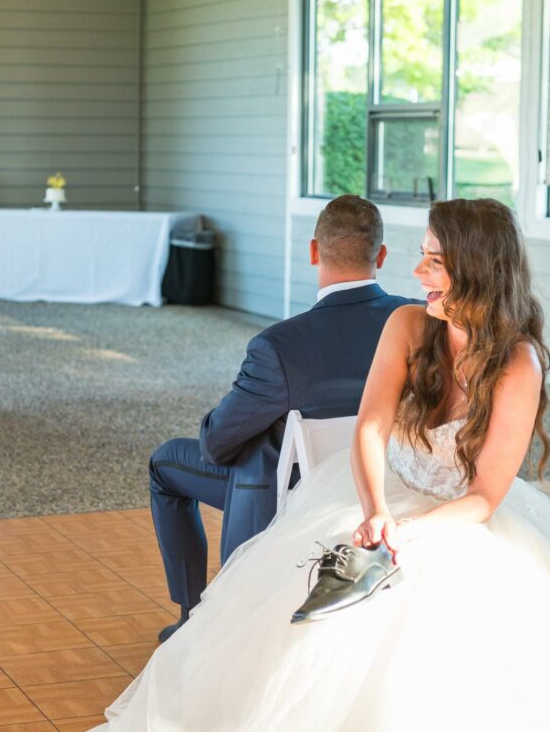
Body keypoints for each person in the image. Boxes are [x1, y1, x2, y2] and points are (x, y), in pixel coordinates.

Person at [61, 199, 550, 732]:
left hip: (461, 516)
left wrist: (409, 532)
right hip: (371, 487)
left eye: (436, 261)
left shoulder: (517, 363)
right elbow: (369, 426)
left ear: (478, 271)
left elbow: (486, 494)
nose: (422, 273)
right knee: (310, 622)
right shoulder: (404, 324)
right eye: (423, 258)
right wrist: (373, 509)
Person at [149, 195, 412, 641]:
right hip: (392, 487)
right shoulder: (416, 323)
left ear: (314, 252)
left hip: (291, 493)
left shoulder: (279, 347)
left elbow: (217, 445)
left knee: (166, 463)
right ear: (381, 256)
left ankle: (194, 619)